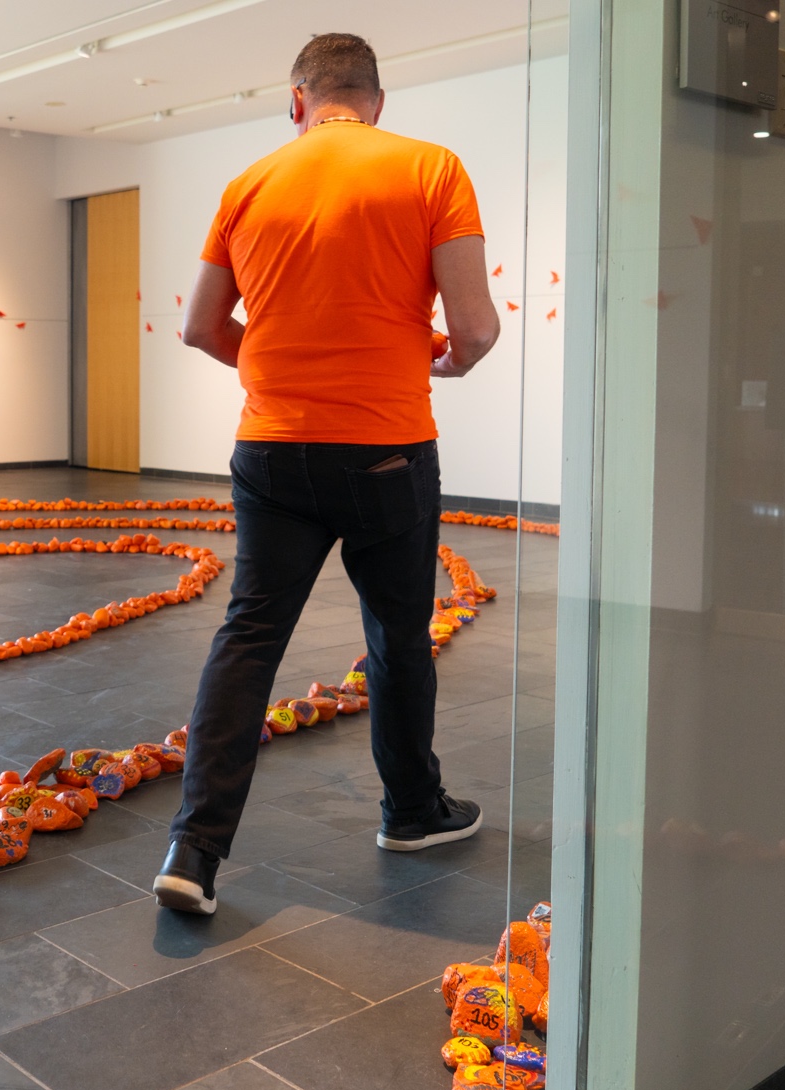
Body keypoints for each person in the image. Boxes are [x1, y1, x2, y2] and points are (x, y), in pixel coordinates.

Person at [152, 32, 501, 915]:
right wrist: (440, 360)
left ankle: (194, 850)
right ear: (377, 103)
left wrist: (281, 369)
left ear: (297, 102)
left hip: (270, 450)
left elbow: (198, 326)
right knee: (396, 634)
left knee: (250, 633)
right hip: (386, 451)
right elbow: (478, 327)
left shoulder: (249, 183)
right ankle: (413, 811)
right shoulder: (431, 169)